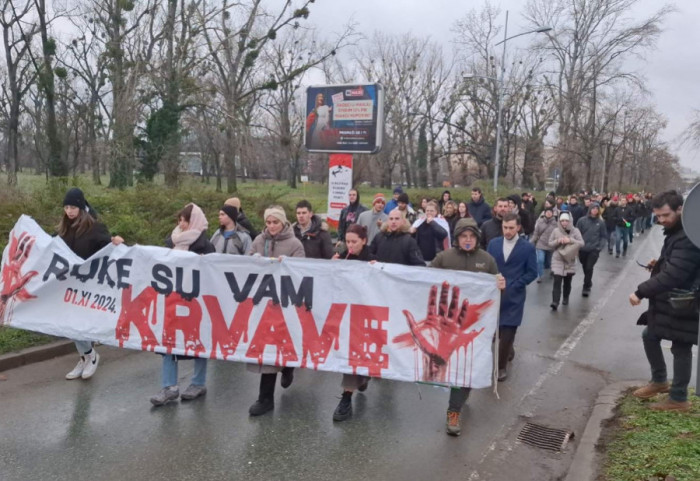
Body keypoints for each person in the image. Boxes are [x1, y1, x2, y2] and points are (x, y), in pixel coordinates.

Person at [431, 218, 505, 436]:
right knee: (456, 369)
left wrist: (501, 285)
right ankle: (454, 411)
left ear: (477, 238)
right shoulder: (445, 258)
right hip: (449, 326)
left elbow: (496, 293)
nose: (468, 240)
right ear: (457, 238)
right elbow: (424, 279)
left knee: (467, 368)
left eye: (472, 236)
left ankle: (458, 402)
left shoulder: (487, 260)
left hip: (477, 327)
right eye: (464, 236)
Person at [629, 191, 700, 412]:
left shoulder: (688, 236)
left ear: (681, 210)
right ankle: (660, 382)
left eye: (665, 215)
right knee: (650, 334)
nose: (661, 220)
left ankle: (678, 399)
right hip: (674, 301)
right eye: (658, 216)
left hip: (684, 300)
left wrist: (640, 292)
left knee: (681, 345)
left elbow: (676, 275)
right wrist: (659, 263)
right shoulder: (679, 231)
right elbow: (675, 264)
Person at [150, 203, 215, 406]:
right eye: (179, 220)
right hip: (173, 299)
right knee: (169, 340)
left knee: (198, 340)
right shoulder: (173, 241)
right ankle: (169, 386)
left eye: (184, 220)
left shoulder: (205, 246)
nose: (181, 224)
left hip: (196, 303)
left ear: (193, 220)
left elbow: (214, 277)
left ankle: (198, 382)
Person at [247, 206, 306, 416]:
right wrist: (252, 260)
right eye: (269, 222)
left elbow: (301, 272)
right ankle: (265, 398)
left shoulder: (294, 244)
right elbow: (246, 264)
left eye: (275, 222)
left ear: (283, 223)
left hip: (285, 304)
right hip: (263, 303)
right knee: (266, 349)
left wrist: (289, 266)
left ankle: (286, 370)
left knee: (279, 347)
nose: (271, 226)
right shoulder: (258, 240)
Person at [60, 188, 124, 381]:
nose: (70, 211)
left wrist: (116, 243)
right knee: (70, 324)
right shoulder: (65, 228)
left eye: (73, 207)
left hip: (89, 284)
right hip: (69, 284)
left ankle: (90, 356)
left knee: (78, 324)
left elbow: (108, 248)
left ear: (81, 207)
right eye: (66, 207)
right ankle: (86, 356)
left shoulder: (94, 228)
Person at [331, 224, 377, 421]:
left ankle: (358, 382)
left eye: (354, 242)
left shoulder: (373, 258)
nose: (350, 246)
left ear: (364, 241)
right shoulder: (343, 256)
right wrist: (330, 265)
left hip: (366, 314)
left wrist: (377, 270)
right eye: (347, 242)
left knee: (362, 353)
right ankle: (347, 397)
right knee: (350, 355)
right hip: (346, 315)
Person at [486, 213, 538, 381]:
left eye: (511, 228)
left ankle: (501, 367)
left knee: (508, 331)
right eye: (505, 227)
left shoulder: (527, 248)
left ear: (518, 227)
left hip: (514, 298)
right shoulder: (493, 244)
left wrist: (516, 284)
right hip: (495, 296)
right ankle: (509, 349)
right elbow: (488, 267)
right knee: (498, 332)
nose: (507, 231)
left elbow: (532, 273)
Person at [548, 212, 584, 310]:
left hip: (570, 259)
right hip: (558, 259)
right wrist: (558, 241)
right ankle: (555, 301)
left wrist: (570, 240)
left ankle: (566, 297)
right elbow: (550, 243)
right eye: (562, 221)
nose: (564, 223)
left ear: (570, 221)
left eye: (566, 221)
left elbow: (581, 243)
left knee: (567, 281)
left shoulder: (575, 231)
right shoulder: (555, 231)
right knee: (557, 280)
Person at [576, 202, 607, 297]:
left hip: (594, 249)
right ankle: (588, 281)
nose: (595, 210)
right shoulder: (582, 221)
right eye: (593, 208)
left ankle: (586, 287)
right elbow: (576, 233)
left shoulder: (600, 222)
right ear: (590, 209)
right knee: (585, 267)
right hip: (582, 249)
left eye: (597, 209)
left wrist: (599, 247)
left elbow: (603, 236)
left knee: (589, 267)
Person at [530, 206, 557, 282]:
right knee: (540, 260)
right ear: (544, 213)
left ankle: (552, 271)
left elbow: (558, 234)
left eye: (550, 212)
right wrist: (530, 242)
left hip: (551, 245)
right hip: (541, 244)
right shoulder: (540, 222)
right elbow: (535, 234)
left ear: (552, 213)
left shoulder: (556, 224)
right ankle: (540, 276)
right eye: (547, 212)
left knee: (551, 261)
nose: (548, 213)